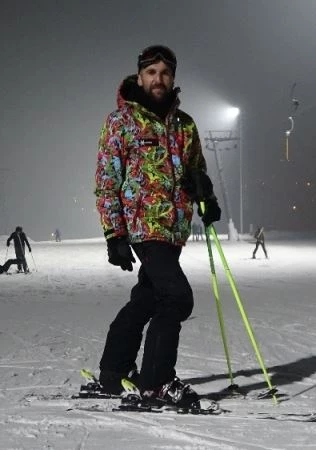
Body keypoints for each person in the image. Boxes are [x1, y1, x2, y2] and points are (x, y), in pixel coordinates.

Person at [93, 44, 221, 408]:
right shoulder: (121, 122)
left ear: (173, 77)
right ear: (139, 77)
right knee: (177, 297)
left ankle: (114, 370)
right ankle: (157, 380)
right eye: (151, 73)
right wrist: (114, 233)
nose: (158, 79)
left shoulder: (185, 125)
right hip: (143, 227)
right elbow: (107, 179)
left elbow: (196, 171)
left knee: (148, 298)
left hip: (174, 229)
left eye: (165, 73)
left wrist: (206, 197)